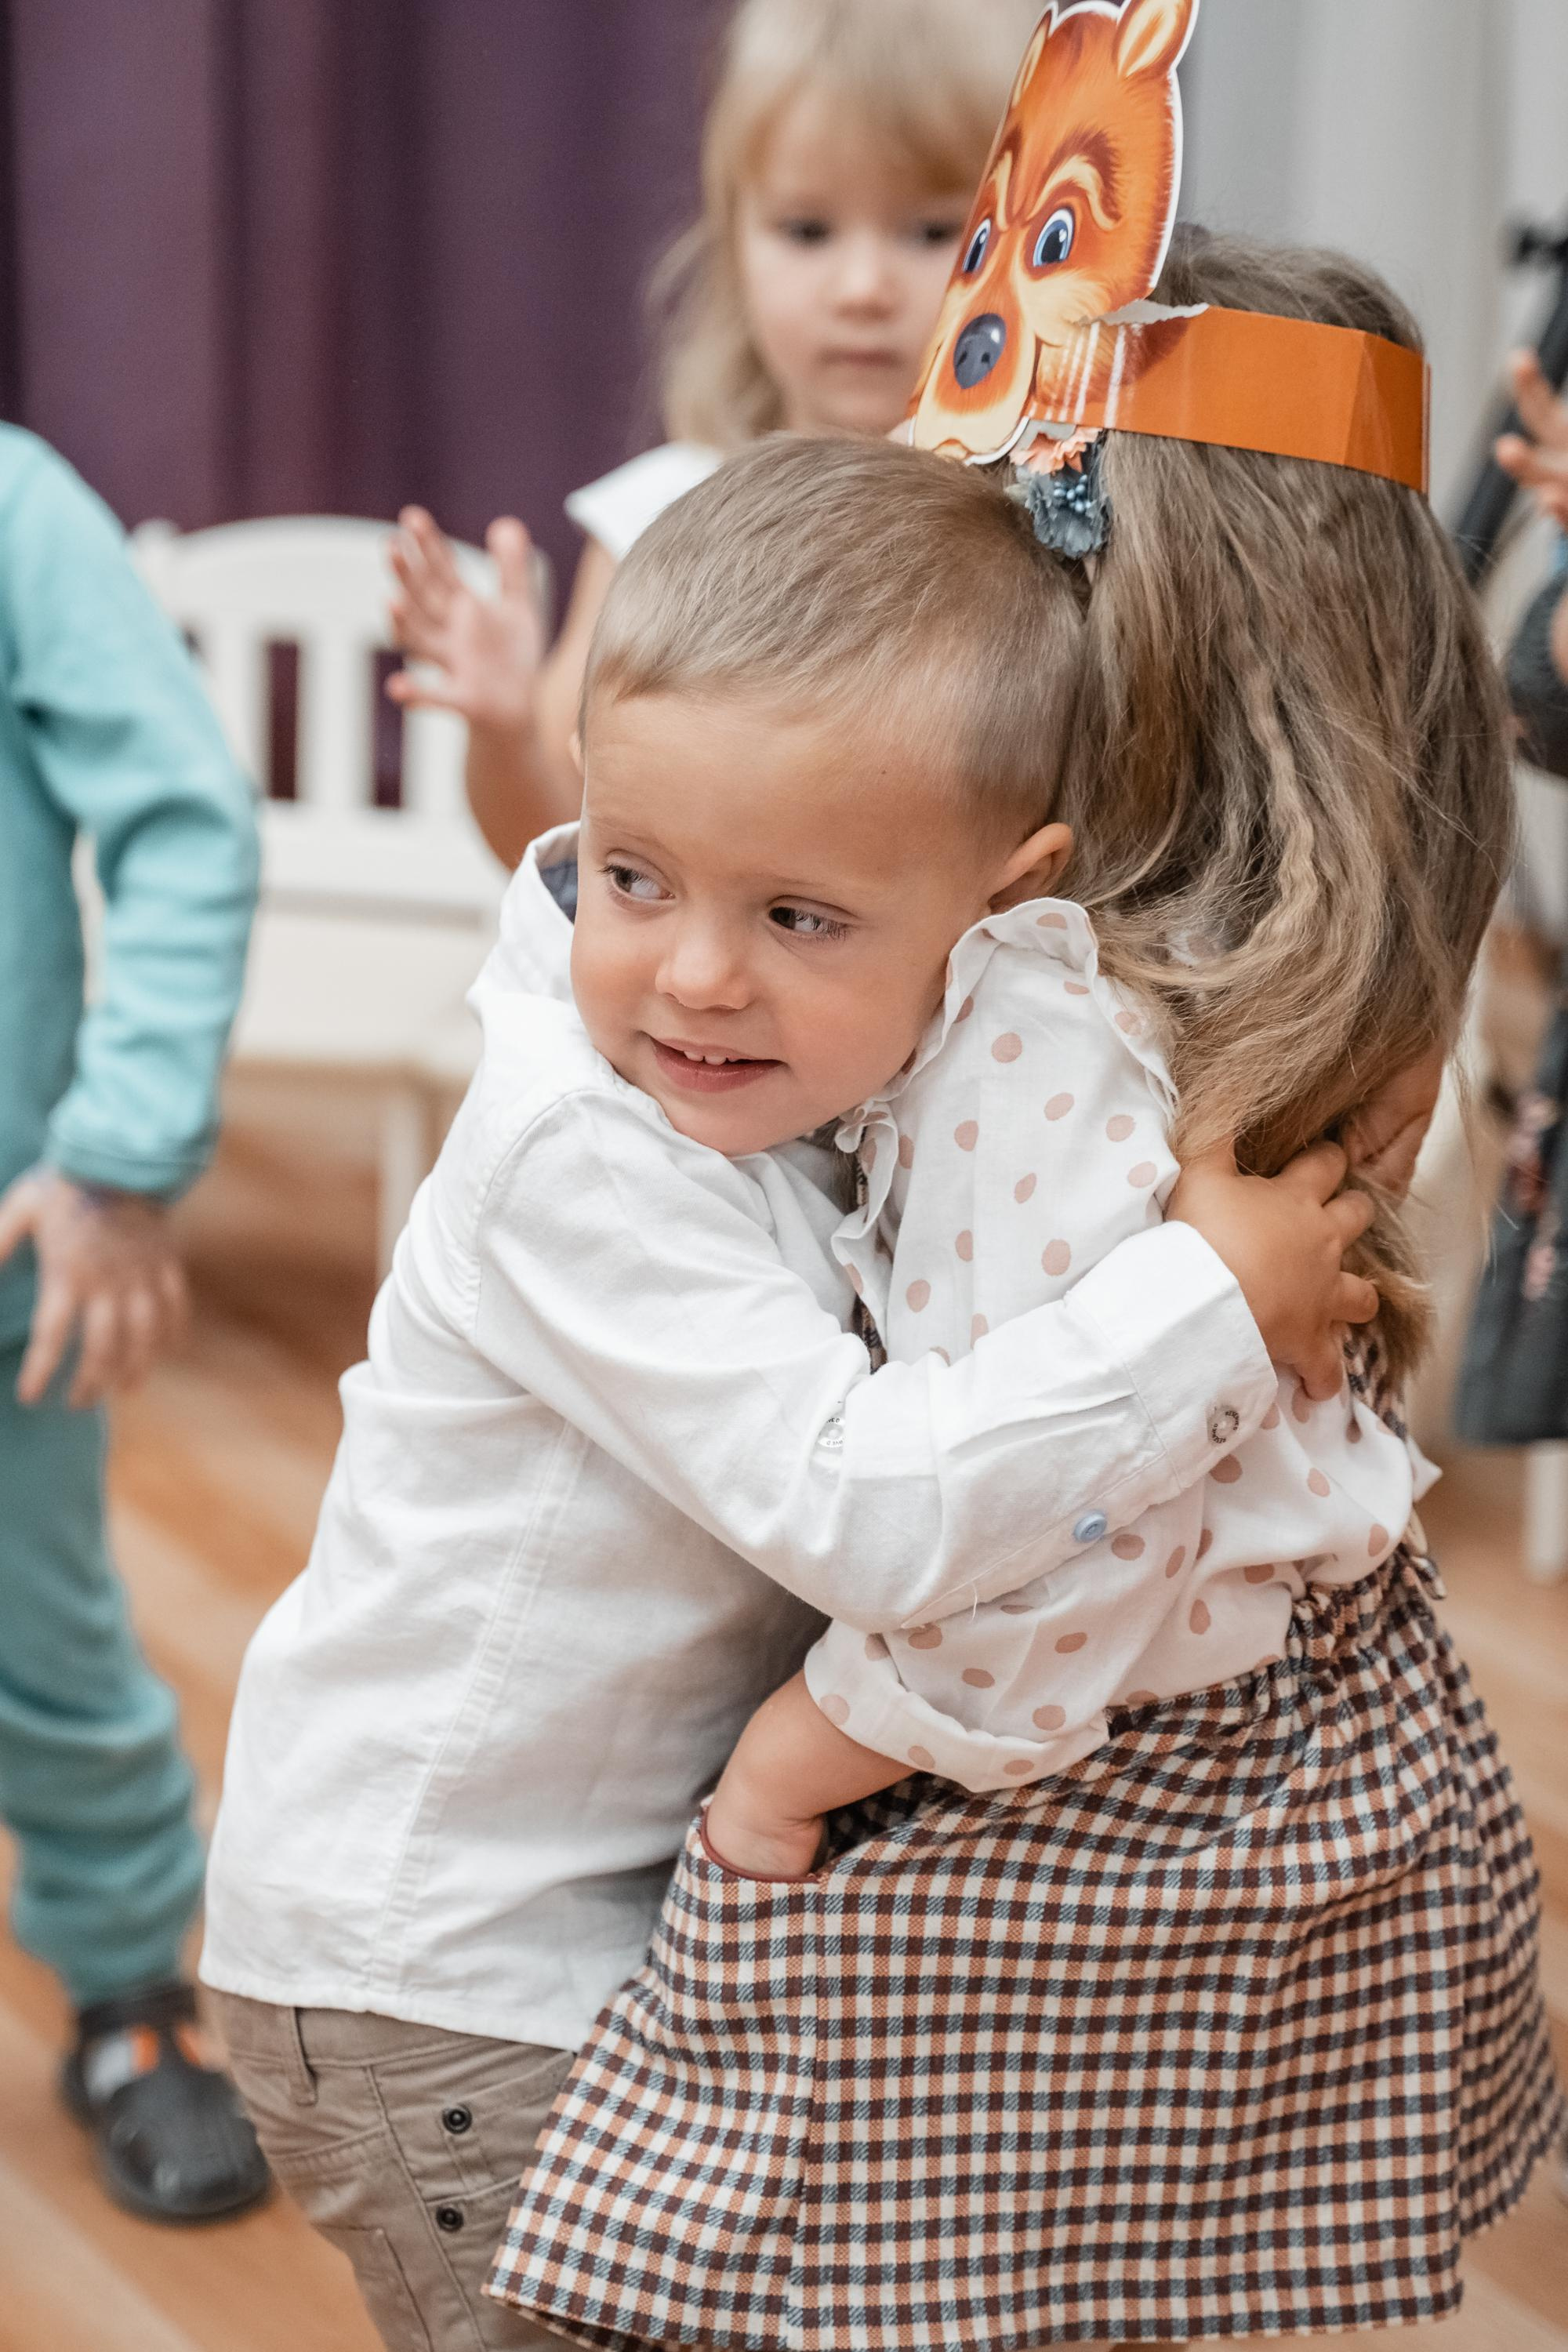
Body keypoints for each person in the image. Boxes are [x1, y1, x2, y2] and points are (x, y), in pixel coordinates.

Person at [198, 429, 1403, 2351]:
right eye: (632, 874)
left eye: (795, 917)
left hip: (563, 1929)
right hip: (438, 1979)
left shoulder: (826, 1092)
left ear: (1002, 914)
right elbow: (865, 1502)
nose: (690, 975)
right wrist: (1205, 1300)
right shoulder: (575, 1157)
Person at [489, 249, 1557, 2352]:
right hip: (1297, 1761)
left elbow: (1039, 1536)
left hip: (1045, 1794)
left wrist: (805, 1753)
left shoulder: (1039, 1034)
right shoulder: (1325, 994)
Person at [383, 0, 1041, 871]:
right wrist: (504, 732)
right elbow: (554, 850)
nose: (861, 287)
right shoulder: (658, 515)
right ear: (732, 239)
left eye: (930, 230)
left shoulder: (1053, 515)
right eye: (806, 229)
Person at [0, 426, 269, 2221]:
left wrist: (118, 1150)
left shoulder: (17, 508)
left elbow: (185, 814)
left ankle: (128, 1991)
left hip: (14, 1225)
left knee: (44, 1634)